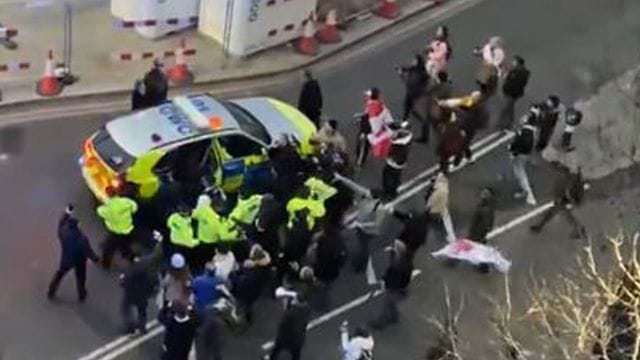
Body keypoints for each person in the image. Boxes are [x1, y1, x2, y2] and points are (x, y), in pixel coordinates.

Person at [47, 204, 100, 302]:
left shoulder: (63, 232)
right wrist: (95, 259)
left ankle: (51, 291)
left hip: (66, 258)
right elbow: (88, 251)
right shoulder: (82, 239)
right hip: (79, 260)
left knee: (60, 274)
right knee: (80, 277)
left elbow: (61, 222)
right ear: (77, 226)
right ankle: (81, 294)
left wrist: (67, 212)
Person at [530, 163, 586, 238]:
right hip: (567, 200)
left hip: (570, 200)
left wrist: (567, 200)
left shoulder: (571, 178)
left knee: (565, 214)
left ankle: (579, 230)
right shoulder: (568, 177)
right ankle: (539, 226)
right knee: (555, 212)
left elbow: (570, 192)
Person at [370, 240, 413, 329]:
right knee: (392, 305)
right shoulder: (405, 261)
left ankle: (380, 324)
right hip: (400, 289)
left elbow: (395, 278)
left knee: (386, 305)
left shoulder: (399, 266)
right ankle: (394, 317)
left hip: (396, 289)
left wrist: (386, 282)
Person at [97, 188, 138, 270]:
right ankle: (132, 258)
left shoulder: (108, 208)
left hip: (117, 231)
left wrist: (104, 203)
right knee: (123, 245)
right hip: (128, 228)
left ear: (108, 195)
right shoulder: (125, 201)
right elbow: (134, 207)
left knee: (108, 249)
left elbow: (100, 211)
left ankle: (105, 265)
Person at [230, 244, 272, 324]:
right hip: (257, 289)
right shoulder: (266, 265)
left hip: (247, 291)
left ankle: (242, 317)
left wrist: (235, 274)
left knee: (243, 303)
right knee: (249, 305)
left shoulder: (252, 272)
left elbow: (241, 282)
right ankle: (249, 318)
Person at [265, 292, 312, 360]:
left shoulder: (291, 312)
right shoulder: (307, 309)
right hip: (299, 337)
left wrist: (287, 307)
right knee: (296, 352)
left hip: (287, 335)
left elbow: (283, 323)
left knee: (278, 347)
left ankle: (271, 357)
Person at [119, 255, 157, 334]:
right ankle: (142, 327)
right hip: (143, 294)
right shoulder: (144, 267)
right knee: (142, 311)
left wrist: (122, 279)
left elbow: (124, 282)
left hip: (131, 294)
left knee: (125, 308)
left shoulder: (129, 270)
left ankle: (130, 326)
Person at [507, 108, 538, 205]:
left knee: (521, 174)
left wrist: (513, 150)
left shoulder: (525, 132)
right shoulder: (530, 130)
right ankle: (525, 192)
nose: (522, 117)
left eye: (525, 117)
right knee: (519, 173)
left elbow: (523, 144)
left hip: (520, 155)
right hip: (523, 154)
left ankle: (529, 195)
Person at [498, 56, 530, 131]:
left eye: (514, 61)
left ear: (518, 63)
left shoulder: (521, 74)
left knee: (506, 108)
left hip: (512, 93)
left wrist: (508, 78)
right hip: (509, 92)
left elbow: (516, 83)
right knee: (509, 108)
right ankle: (507, 123)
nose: (513, 63)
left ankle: (504, 124)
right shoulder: (515, 71)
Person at [467, 187, 496, 273]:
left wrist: (478, 233)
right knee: (479, 248)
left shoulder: (485, 209)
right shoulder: (486, 206)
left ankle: (484, 267)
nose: (482, 194)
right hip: (478, 232)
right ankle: (484, 266)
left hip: (477, 233)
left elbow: (485, 224)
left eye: (485, 194)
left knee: (473, 247)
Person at [382, 122, 413, 199]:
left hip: (394, 162)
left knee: (387, 176)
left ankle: (388, 193)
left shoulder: (400, 142)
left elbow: (392, 143)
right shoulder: (408, 137)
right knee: (396, 177)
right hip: (400, 162)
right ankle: (393, 191)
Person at [192, 194, 222, 271]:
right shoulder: (216, 217)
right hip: (212, 244)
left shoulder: (200, 211)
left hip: (201, 243)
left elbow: (192, 215)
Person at [421, 71, 453, 143]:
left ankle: (441, 140)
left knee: (434, 125)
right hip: (447, 109)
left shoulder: (438, 87)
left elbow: (431, 94)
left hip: (438, 111)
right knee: (446, 124)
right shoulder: (448, 86)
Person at [396, 54, 429, 121]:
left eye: (414, 60)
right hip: (412, 92)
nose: (413, 61)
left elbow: (410, 79)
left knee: (410, 106)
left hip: (415, 92)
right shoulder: (414, 69)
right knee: (407, 106)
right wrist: (401, 69)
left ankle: (408, 119)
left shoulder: (421, 72)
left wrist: (401, 74)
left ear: (418, 62)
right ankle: (406, 119)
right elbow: (407, 69)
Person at [426, 173, 456, 243]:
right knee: (447, 220)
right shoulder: (445, 187)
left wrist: (427, 207)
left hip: (435, 209)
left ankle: (451, 237)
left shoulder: (436, 192)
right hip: (443, 206)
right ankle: (451, 236)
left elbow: (430, 202)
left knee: (435, 215)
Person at [167, 204, 199, 270]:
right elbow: (190, 242)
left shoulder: (173, 217)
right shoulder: (187, 223)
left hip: (173, 243)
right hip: (185, 246)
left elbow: (169, 225)